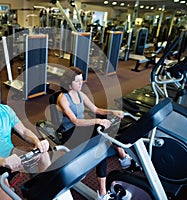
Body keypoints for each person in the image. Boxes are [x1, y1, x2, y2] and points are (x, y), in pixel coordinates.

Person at [56, 67, 132, 200]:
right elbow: (75, 121)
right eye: (77, 81)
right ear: (69, 83)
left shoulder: (80, 94)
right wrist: (98, 121)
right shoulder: (63, 98)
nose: (81, 83)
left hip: (81, 129)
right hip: (70, 133)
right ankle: (103, 192)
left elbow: (96, 109)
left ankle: (123, 158)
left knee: (105, 137)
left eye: (81, 80)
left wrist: (112, 112)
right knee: (101, 143)